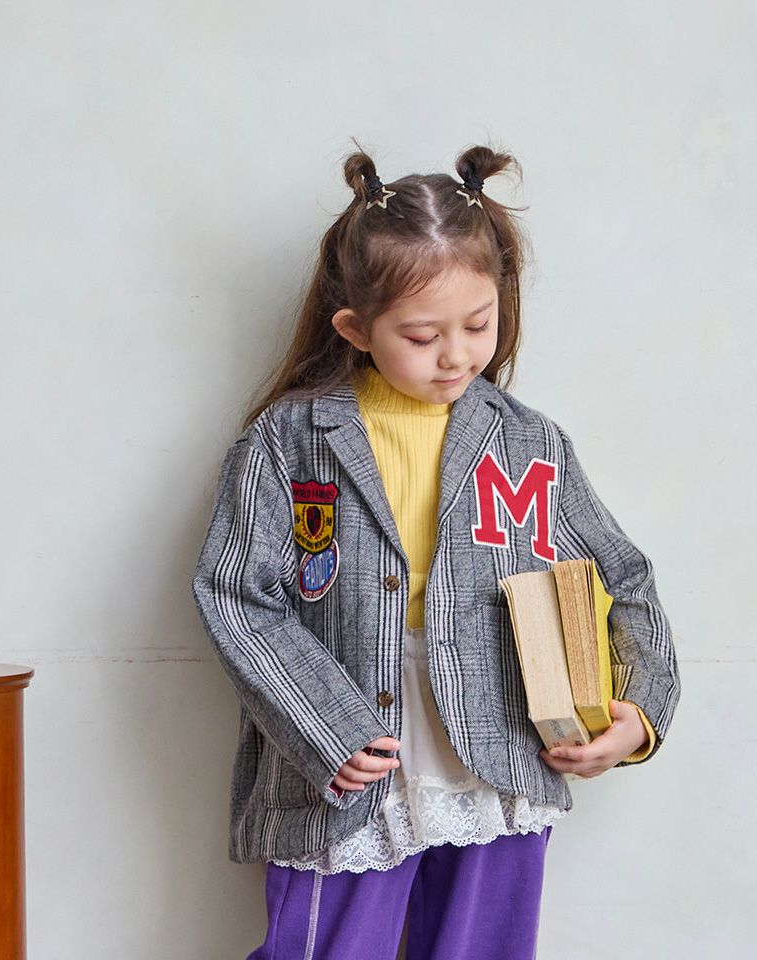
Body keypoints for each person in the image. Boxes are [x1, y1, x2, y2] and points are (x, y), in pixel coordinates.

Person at [191, 141, 681, 960]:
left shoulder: (531, 443)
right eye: (422, 335)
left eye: (478, 325)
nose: (456, 355)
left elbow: (624, 578)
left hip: (501, 754)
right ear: (356, 329)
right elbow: (237, 594)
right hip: (344, 761)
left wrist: (639, 712)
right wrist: (325, 724)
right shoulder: (288, 440)